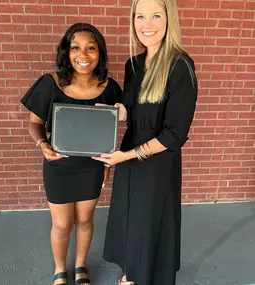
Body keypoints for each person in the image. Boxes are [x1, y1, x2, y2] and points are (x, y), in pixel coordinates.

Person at [92, 0, 198, 284]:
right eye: (140, 16)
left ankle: (143, 276)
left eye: (155, 15)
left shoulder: (180, 66)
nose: (146, 24)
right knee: (129, 219)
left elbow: (174, 134)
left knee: (148, 223)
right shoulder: (133, 64)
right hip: (129, 152)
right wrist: (116, 113)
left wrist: (125, 156)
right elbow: (133, 110)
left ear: (169, 19)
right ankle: (132, 272)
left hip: (157, 161)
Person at [20, 23, 122, 285]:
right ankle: (59, 269)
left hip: (92, 167)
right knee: (62, 225)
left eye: (91, 47)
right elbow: (34, 123)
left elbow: (111, 130)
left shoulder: (109, 88)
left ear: (100, 53)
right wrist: (43, 144)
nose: (83, 55)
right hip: (59, 165)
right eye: (75, 47)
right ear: (66, 52)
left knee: (86, 220)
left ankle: (79, 266)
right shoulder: (50, 83)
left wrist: (108, 166)